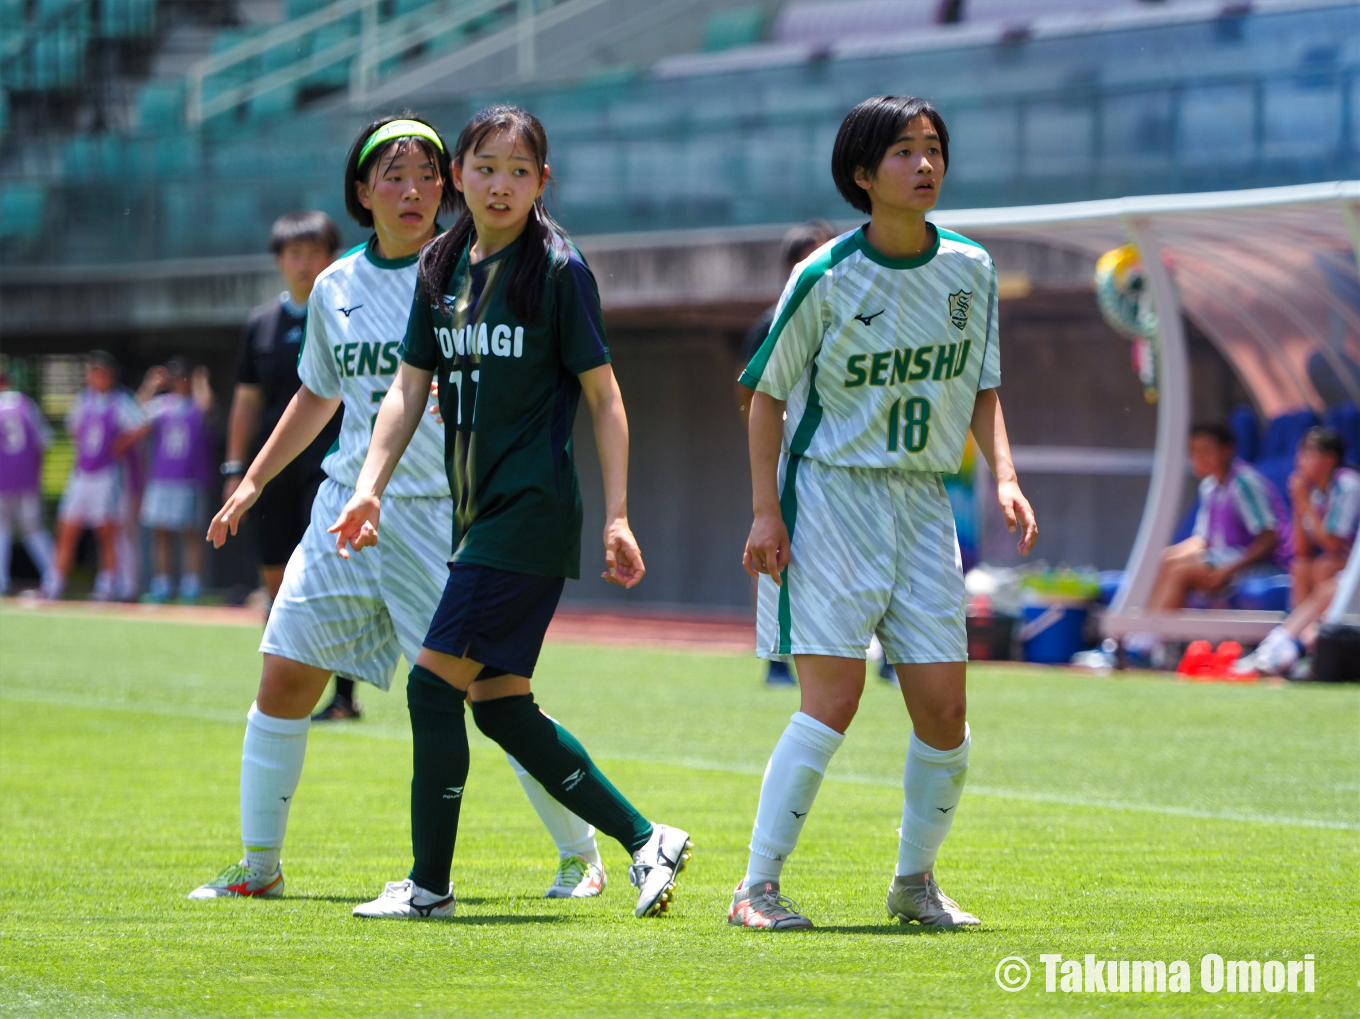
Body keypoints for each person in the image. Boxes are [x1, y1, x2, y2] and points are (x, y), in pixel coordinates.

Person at [190, 114, 604, 903]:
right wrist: (254, 479)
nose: (413, 191)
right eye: (393, 176)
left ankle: (578, 853)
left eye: (426, 176)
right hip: (346, 509)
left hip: (443, 516)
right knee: (282, 679)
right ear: (361, 191)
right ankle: (259, 866)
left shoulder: (480, 271)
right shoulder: (335, 287)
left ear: (449, 185)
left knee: (493, 695)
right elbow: (318, 393)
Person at [332, 104, 691, 922]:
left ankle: (428, 888)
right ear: (457, 175)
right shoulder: (440, 265)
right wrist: (368, 485)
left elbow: (605, 397)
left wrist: (619, 514)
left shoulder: (560, 270)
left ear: (542, 182)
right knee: (498, 706)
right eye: (485, 167)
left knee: (431, 687)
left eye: (519, 171)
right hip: (476, 516)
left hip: (528, 513)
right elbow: (407, 387)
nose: (501, 185)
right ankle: (647, 839)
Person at [729, 95, 1037, 930]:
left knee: (945, 711)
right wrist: (766, 512)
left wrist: (1003, 475)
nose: (925, 164)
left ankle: (914, 882)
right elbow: (762, 394)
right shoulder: (824, 275)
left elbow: (983, 384)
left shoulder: (971, 268)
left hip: (924, 503)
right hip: (831, 494)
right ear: (863, 175)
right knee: (833, 698)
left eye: (934, 147)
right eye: (903, 151)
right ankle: (756, 888)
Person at [225, 211, 362, 719]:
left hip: (333, 464)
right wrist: (236, 470)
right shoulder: (261, 323)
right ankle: (280, 692)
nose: (304, 264)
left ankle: (344, 698)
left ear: (332, 257)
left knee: (330, 577)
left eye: (314, 253)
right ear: (279, 260)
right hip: (274, 468)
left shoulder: (347, 311)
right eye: (294, 254)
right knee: (277, 578)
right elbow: (245, 401)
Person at [735, 220, 836, 687]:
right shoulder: (771, 322)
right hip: (788, 458)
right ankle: (776, 657)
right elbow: (749, 392)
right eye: (816, 255)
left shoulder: (846, 311)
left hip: (840, 456)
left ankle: (887, 656)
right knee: (774, 548)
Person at [1141, 423, 1286, 618]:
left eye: (1205, 450)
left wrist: (1229, 570)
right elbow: (1203, 540)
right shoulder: (1209, 487)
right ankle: (1148, 632)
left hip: (1252, 566)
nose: (1199, 458)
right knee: (1157, 563)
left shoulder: (1245, 482)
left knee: (1181, 572)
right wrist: (1164, 556)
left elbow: (1270, 538)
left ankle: (1147, 639)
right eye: (1193, 451)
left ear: (1227, 449)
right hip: (1221, 559)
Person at [46, 351, 146, 601]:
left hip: (108, 475)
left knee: (106, 530)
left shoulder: (120, 401)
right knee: (67, 526)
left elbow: (140, 426)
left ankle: (107, 585)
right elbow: (74, 430)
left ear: (109, 374)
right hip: (82, 474)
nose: (95, 376)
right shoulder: (83, 400)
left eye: (100, 371)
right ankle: (54, 583)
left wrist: (118, 445)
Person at [133, 359, 215, 603]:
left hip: (189, 479)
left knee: (191, 533)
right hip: (161, 480)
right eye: (177, 377)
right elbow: (133, 414)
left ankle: (192, 585)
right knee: (162, 533)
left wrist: (201, 380)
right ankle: (162, 585)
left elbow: (207, 406)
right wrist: (150, 386)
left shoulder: (196, 404)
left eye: (185, 377)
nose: (181, 381)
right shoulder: (161, 405)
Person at [0, 361, 57, 596]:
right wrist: (36, 475)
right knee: (33, 530)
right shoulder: (26, 404)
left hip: (2, 480)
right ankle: (55, 580)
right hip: (28, 480)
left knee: (1, 531)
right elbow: (43, 442)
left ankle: (1, 583)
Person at [1287, 426, 1360, 608]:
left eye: (1308, 452)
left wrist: (1304, 502)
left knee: (1324, 566)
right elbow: (1301, 550)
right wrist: (1299, 503)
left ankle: (1325, 631)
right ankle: (1302, 632)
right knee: (1301, 567)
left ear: (1329, 459)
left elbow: (1333, 544)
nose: (1299, 460)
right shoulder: (1314, 492)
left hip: (1353, 561)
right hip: (1338, 560)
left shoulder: (1347, 483)